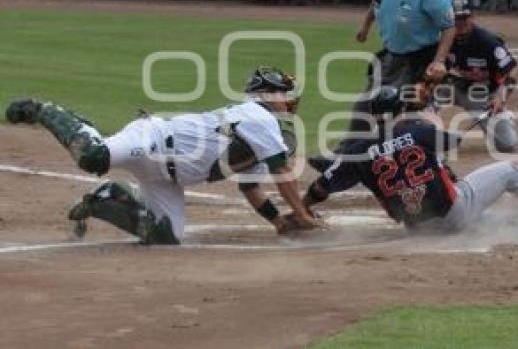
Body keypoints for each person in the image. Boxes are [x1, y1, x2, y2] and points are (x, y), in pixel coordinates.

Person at [5, 67, 323, 245]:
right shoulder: (260, 117)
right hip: (153, 141)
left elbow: (250, 187)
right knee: (93, 157)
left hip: (168, 179)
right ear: (268, 95)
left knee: (165, 237)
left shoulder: (260, 132)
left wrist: (280, 222)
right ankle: (43, 110)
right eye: (286, 96)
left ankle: (107, 197)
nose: (290, 104)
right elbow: (282, 173)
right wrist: (304, 216)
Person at [302, 85, 518, 233]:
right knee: (508, 171)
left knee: (492, 221)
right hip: (452, 212)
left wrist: (301, 208)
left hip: (418, 229)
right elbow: (451, 141)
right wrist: (433, 121)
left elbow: (320, 189)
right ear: (398, 110)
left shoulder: (358, 150)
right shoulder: (418, 131)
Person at [349, 0, 455, 135]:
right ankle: (348, 154)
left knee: (413, 112)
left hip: (421, 58)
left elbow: (449, 27)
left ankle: (429, 158)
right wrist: (366, 25)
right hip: (392, 55)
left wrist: (439, 61)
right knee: (366, 106)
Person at [443, 0, 518, 152]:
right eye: (456, 19)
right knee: (424, 93)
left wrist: (501, 96)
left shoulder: (487, 41)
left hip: (480, 94)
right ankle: (422, 132)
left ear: (472, 17)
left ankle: (505, 117)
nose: (460, 23)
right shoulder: (443, 38)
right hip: (451, 88)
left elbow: (513, 68)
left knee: (507, 145)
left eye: (464, 18)